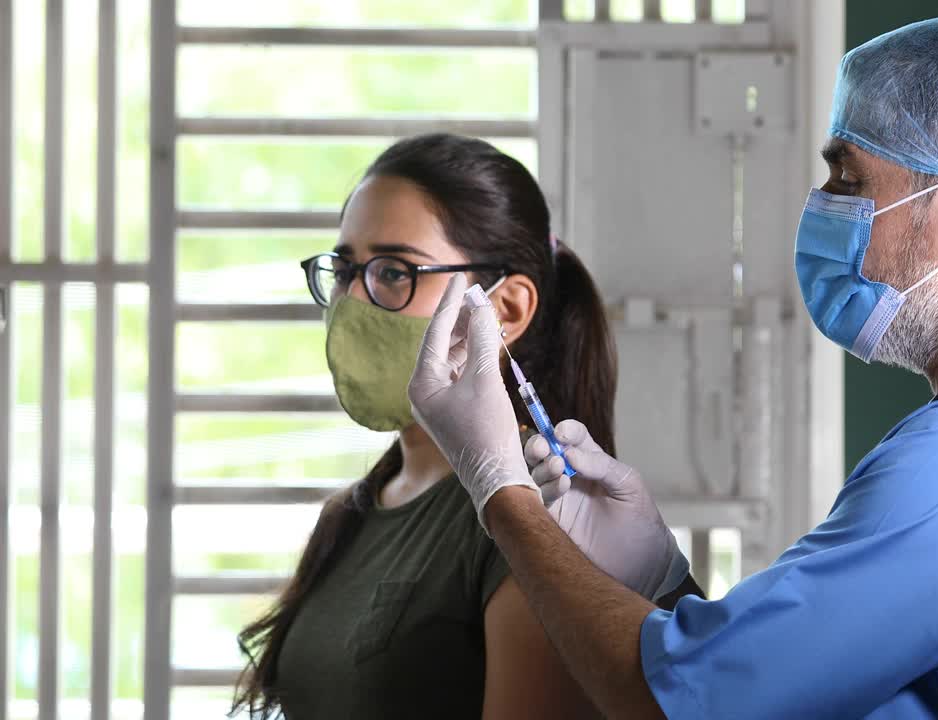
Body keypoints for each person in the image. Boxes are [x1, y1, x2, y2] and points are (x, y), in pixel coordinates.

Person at [406, 16, 938, 720]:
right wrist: (661, 575)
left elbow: (669, 709)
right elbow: (782, 683)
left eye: (850, 179)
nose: (822, 205)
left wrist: (502, 493)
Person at [229, 133, 699, 719]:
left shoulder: (540, 520)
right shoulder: (350, 514)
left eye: (394, 271)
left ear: (505, 311)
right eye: (346, 269)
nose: (353, 300)